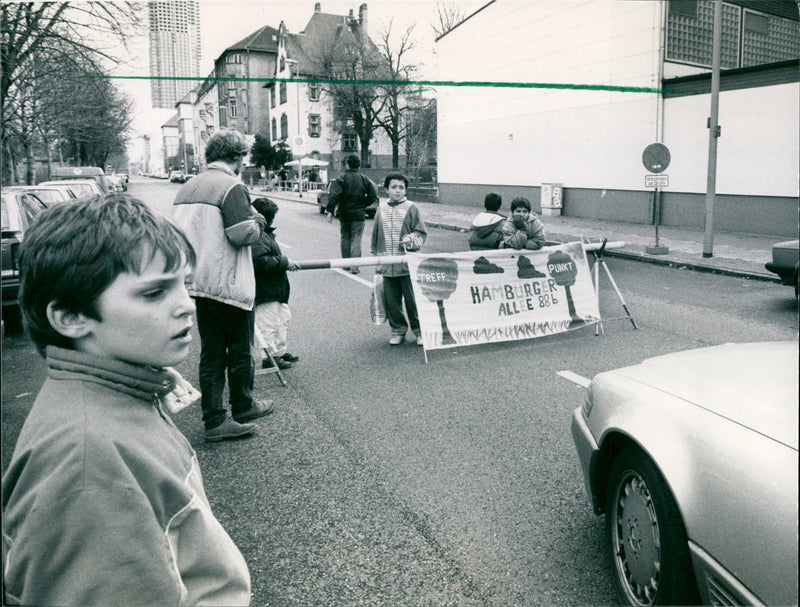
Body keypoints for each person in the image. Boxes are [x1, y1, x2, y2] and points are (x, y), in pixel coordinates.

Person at [2, 194, 251, 605]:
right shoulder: (88, 464)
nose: (187, 305)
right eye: (154, 293)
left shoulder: (118, 393)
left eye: (184, 284)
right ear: (70, 317)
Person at [172, 128, 274, 443]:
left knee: (212, 352)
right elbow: (243, 233)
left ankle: (214, 419)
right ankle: (243, 406)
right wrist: (259, 222)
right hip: (228, 283)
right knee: (241, 348)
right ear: (235, 157)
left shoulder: (188, 186)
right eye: (242, 157)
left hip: (197, 282)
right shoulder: (231, 186)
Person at [370, 171, 427, 346]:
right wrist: (377, 260)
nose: (398, 191)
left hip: (407, 264)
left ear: (405, 190)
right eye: (394, 187)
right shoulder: (382, 209)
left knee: (413, 300)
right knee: (391, 301)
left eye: (401, 187)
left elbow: (421, 233)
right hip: (387, 265)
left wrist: (411, 239)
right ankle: (398, 330)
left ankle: (419, 331)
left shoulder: (412, 207)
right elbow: (376, 234)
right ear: (386, 189)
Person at [251, 197, 300, 370]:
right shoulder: (259, 236)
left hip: (274, 289)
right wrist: (284, 261)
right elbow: (260, 261)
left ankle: (278, 353)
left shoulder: (264, 233)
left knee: (281, 320)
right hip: (266, 290)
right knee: (269, 325)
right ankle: (268, 357)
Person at [326, 154, 378, 274]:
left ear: (347, 165)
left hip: (344, 213)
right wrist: (363, 204)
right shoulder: (365, 179)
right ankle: (355, 267)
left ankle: (346, 265)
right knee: (356, 240)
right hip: (359, 214)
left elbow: (334, 195)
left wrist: (330, 210)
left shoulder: (341, 178)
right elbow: (373, 195)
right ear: (358, 165)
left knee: (345, 237)